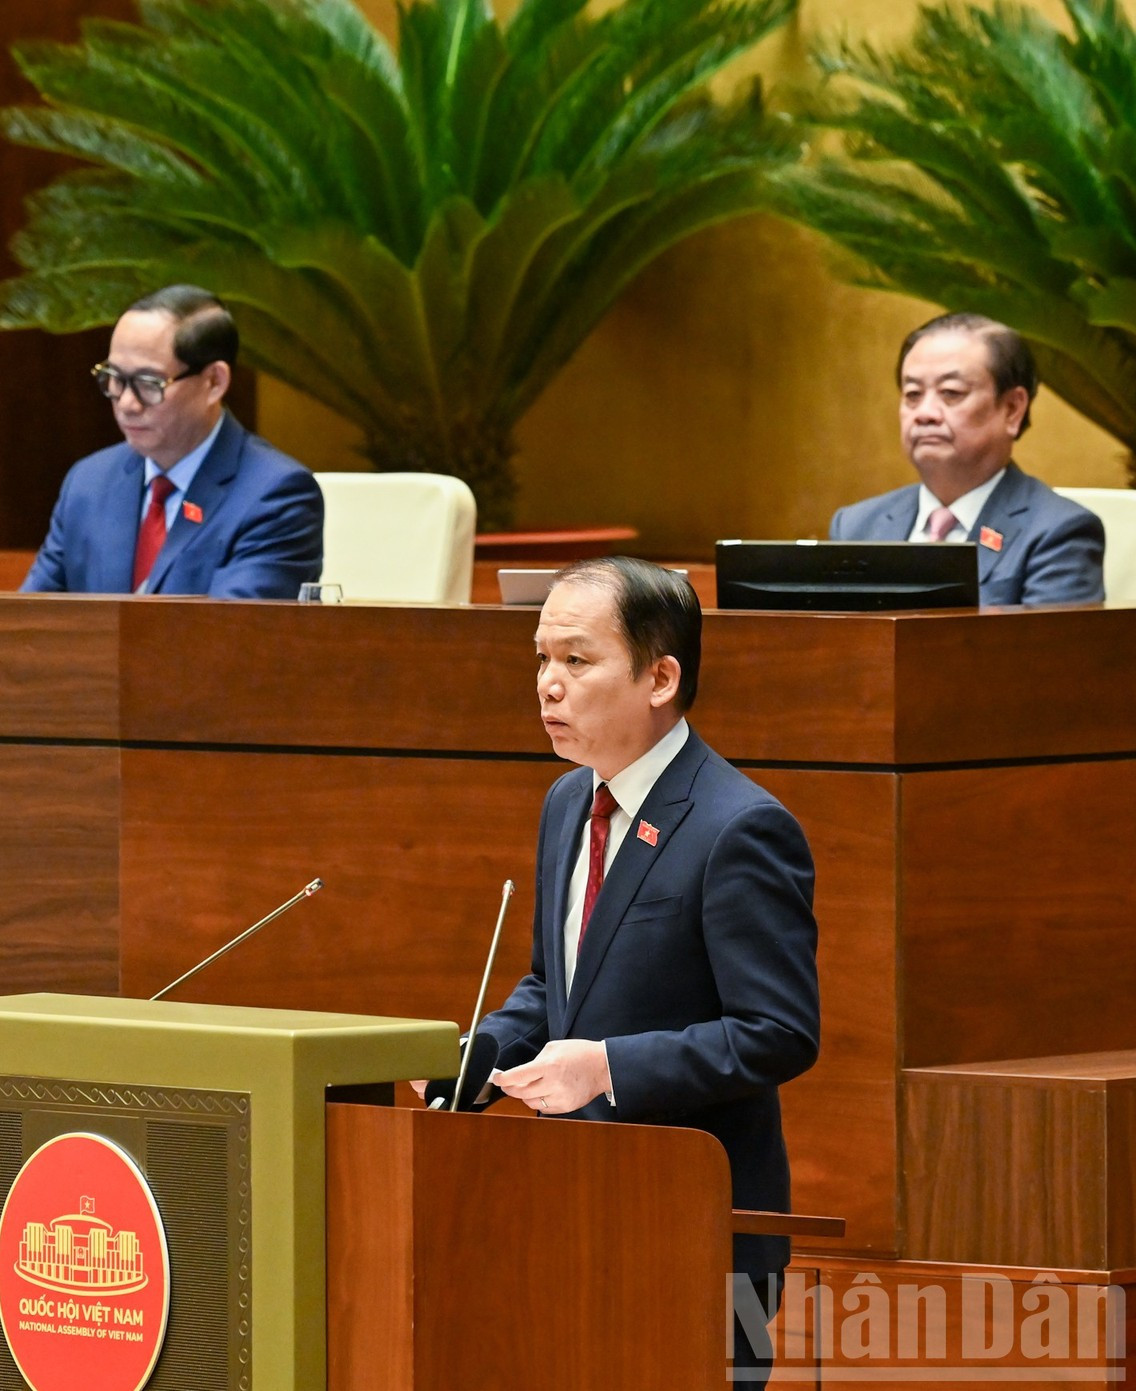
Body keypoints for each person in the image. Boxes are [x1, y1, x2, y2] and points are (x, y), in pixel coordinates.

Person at [424, 557, 820, 1385]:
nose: (547, 685)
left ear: (660, 676)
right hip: (574, 1205)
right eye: (541, 658)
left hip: (696, 1222)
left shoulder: (739, 827)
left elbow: (778, 1033)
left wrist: (605, 1066)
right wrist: (481, 1058)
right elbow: (557, 984)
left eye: (576, 659)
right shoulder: (569, 801)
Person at [21, 286, 323, 598]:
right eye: (114, 377)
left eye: (148, 383)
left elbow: (233, 634)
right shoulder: (89, 483)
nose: (126, 403)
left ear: (214, 382)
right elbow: (31, 621)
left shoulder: (275, 496)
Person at [830, 313, 1104, 605]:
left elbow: (1050, 649)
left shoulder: (1058, 533)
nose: (925, 413)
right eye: (912, 394)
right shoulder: (856, 526)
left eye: (951, 393)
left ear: (1012, 409)